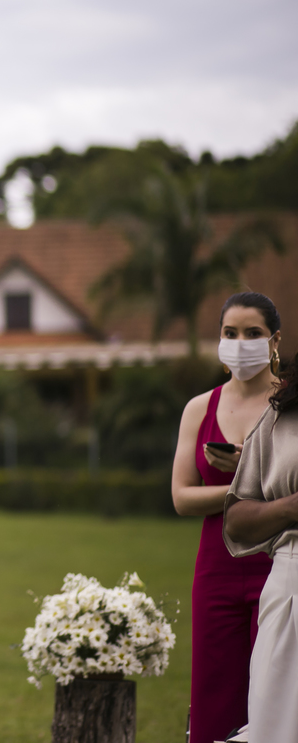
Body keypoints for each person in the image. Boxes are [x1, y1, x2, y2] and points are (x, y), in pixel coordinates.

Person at [172, 292, 280, 743]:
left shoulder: (289, 406)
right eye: (229, 333)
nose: (240, 343)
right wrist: (244, 487)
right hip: (215, 569)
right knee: (215, 696)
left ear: (275, 340)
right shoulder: (200, 408)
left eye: (252, 333)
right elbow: (181, 497)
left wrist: (239, 478)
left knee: (274, 695)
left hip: (279, 564)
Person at [224, 349, 298, 741]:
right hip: (291, 586)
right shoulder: (281, 416)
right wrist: (290, 507)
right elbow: (236, 518)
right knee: (277, 726)